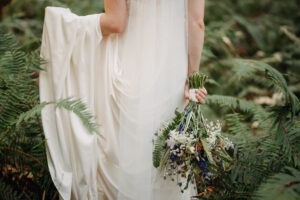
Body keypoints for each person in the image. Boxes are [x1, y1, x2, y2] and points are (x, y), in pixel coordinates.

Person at [39, 0, 206, 199]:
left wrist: (62, 26)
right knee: (167, 152)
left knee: (127, 158)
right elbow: (197, 23)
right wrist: (193, 78)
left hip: (130, 67)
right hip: (172, 73)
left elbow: (115, 23)